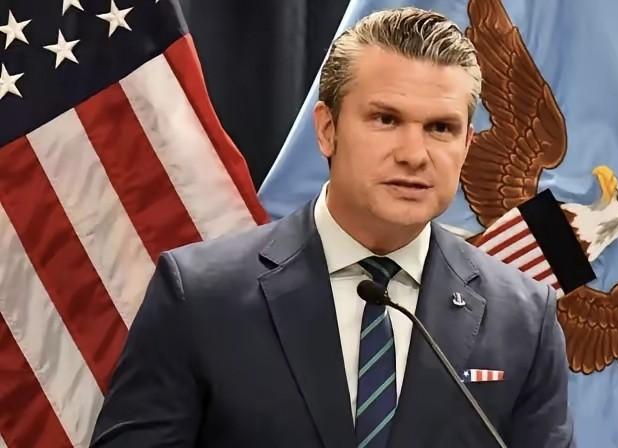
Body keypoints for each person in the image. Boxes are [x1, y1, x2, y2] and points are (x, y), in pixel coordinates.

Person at [90, 7, 574, 447]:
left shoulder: (524, 318)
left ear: (467, 144)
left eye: (440, 128)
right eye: (386, 119)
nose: (414, 154)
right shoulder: (199, 296)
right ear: (327, 130)